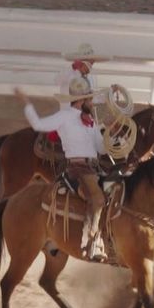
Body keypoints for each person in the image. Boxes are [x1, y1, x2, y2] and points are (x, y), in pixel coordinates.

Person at [13, 77, 109, 263]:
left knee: (117, 191)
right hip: (77, 169)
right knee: (97, 199)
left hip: (94, 168)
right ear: (81, 101)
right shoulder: (64, 116)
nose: (92, 102)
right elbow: (38, 125)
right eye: (90, 99)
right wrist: (26, 103)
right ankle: (90, 243)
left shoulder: (91, 120)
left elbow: (101, 149)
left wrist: (112, 135)